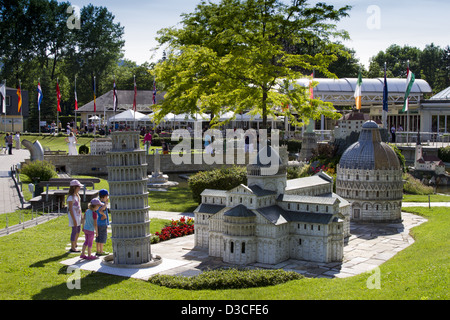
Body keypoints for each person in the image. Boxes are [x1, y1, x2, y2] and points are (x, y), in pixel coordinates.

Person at [67, 180, 83, 253]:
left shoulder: (77, 196)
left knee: (78, 230)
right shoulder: (70, 197)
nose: (79, 189)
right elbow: (70, 209)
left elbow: (79, 207)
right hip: (74, 216)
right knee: (74, 230)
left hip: (78, 215)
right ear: (74, 187)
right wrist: (74, 219)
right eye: (78, 187)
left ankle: (75, 243)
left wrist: (81, 216)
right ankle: (72, 247)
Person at [95, 189, 110, 256]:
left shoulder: (98, 202)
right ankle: (101, 251)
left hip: (98, 223)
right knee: (102, 237)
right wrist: (104, 216)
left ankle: (98, 250)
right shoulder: (102, 204)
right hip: (102, 223)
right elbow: (101, 210)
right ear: (104, 197)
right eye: (106, 197)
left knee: (98, 237)